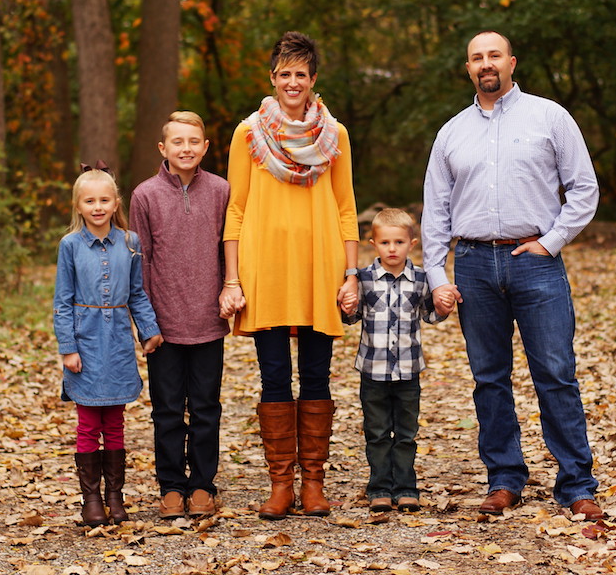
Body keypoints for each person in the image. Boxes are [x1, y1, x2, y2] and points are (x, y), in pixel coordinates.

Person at [421, 31, 604, 521]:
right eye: (477, 58)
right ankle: (504, 478)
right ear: (468, 68)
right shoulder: (451, 133)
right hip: (475, 266)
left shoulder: (550, 117)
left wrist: (551, 241)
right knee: (489, 378)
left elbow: (584, 189)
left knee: (556, 372)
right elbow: (436, 211)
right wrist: (437, 274)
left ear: (511, 62)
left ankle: (576, 485)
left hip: (535, 261)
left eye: (494, 55)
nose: (486, 64)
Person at [219, 31, 359, 520]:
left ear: (313, 78)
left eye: (301, 73)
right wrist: (232, 279)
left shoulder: (334, 135)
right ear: (272, 79)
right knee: (275, 376)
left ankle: (314, 484)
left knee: (317, 375)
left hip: (320, 272)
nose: (293, 81)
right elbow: (235, 208)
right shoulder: (248, 133)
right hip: (266, 272)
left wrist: (350, 274)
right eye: (285, 73)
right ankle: (281, 485)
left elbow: (346, 209)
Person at [129, 111, 230, 520]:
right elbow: (141, 261)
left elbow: (230, 250)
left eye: (194, 142)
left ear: (205, 147)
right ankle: (171, 485)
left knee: (206, 406)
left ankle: (203, 484)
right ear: (163, 148)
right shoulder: (145, 195)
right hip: (163, 325)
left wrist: (230, 291)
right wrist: (146, 323)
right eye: (178, 142)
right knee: (167, 409)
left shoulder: (222, 191)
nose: (186, 149)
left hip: (207, 319)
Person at [53, 163, 164, 526]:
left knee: (114, 422)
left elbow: (136, 293)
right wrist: (68, 347)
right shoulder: (69, 246)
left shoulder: (130, 243)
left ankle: (115, 498)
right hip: (85, 341)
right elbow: (62, 300)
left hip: (116, 341)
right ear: (79, 206)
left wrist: (149, 330)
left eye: (104, 199)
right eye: (90, 201)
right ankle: (91, 501)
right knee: (88, 422)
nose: (97, 206)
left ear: (116, 202)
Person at [341, 208, 449, 513]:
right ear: (373, 244)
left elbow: (431, 315)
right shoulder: (362, 279)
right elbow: (351, 318)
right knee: (376, 433)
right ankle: (379, 488)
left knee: (405, 433)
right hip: (372, 371)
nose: (392, 249)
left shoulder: (420, 279)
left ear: (411, 244)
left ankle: (405, 488)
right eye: (385, 242)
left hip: (408, 371)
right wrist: (347, 305)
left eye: (399, 242)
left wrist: (443, 307)